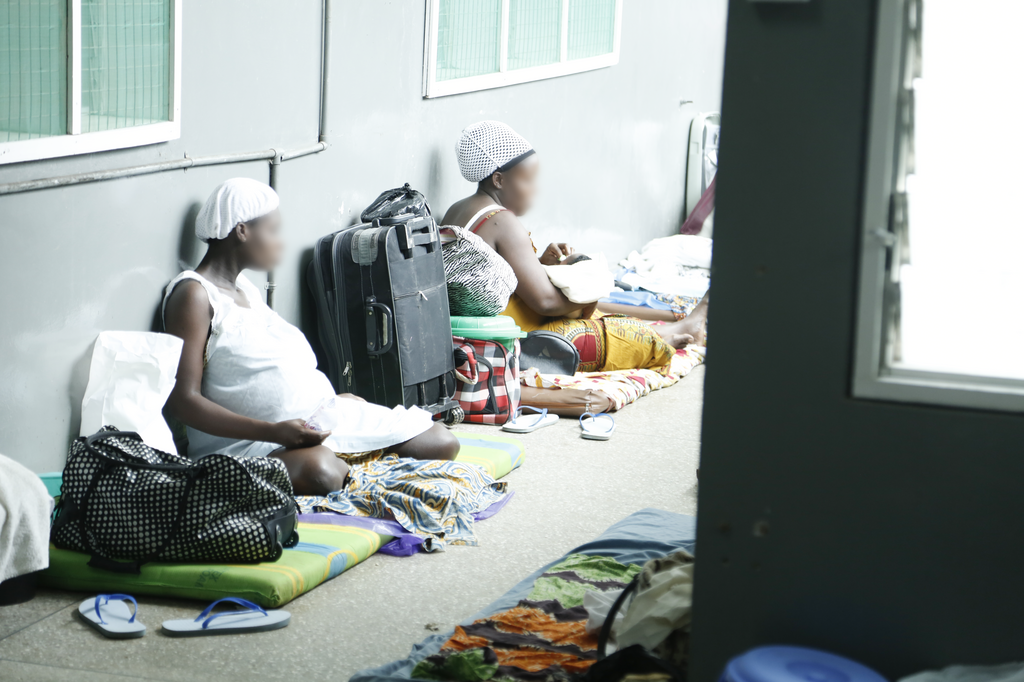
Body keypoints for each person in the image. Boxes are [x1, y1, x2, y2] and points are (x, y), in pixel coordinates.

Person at [163, 178, 459, 496]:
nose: (280, 242)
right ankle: (354, 468)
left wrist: (330, 402)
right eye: (272, 230)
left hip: (312, 423)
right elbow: (183, 402)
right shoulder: (194, 294)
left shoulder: (245, 290)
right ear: (242, 231)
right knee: (322, 472)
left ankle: (354, 468)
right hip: (250, 444)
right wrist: (276, 432)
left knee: (440, 441)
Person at [440, 121, 709, 373]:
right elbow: (545, 302)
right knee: (606, 333)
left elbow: (490, 275)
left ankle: (678, 327)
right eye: (528, 180)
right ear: (498, 180)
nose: (535, 190)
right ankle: (663, 340)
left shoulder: (458, 210)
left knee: (601, 316)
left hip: (470, 330)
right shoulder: (502, 221)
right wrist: (588, 293)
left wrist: (540, 263)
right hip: (511, 337)